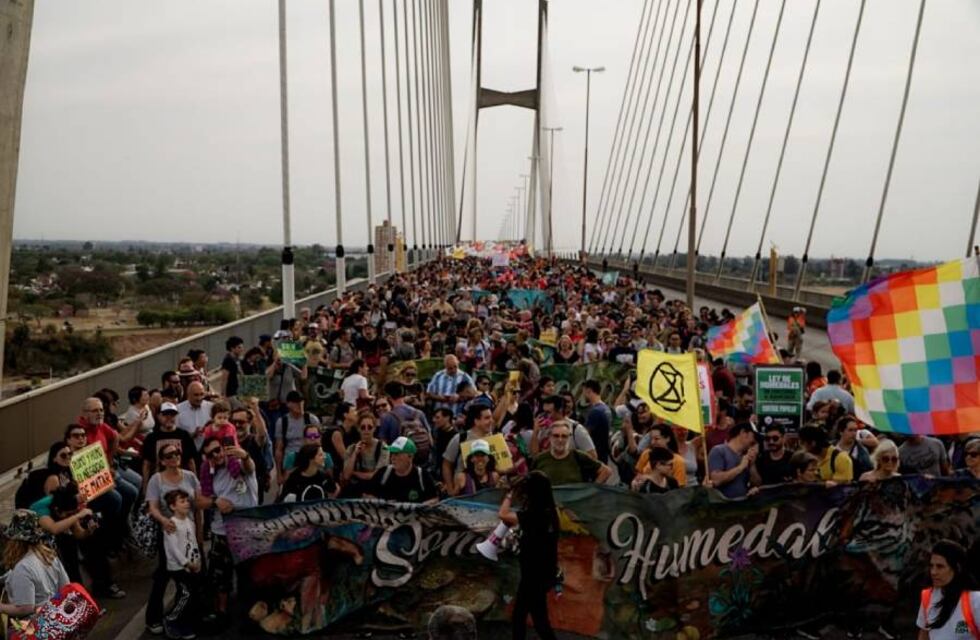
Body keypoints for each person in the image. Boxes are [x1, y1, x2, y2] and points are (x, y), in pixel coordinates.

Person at [198, 436, 259, 622]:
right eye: (211, 453)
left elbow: (250, 467)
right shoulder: (209, 472)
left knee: (246, 573)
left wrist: (246, 456)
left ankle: (248, 613)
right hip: (221, 530)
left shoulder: (238, 464)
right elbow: (199, 500)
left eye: (218, 450)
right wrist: (216, 502)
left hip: (245, 528)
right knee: (220, 575)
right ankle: (221, 613)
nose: (216, 455)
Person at [145, 443, 202, 635]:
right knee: (164, 576)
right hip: (169, 532)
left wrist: (200, 533)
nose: (174, 457)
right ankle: (154, 618)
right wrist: (163, 520)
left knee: (188, 581)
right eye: (169, 455)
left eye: (177, 453)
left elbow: (198, 505)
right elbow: (152, 506)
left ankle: (182, 616)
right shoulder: (157, 480)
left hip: (189, 532)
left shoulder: (190, 476)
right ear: (162, 461)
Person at [498, 471, 559, 640]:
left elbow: (503, 514)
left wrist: (510, 495)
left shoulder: (534, 515)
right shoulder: (551, 513)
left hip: (533, 574)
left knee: (521, 617)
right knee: (539, 619)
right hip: (543, 572)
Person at [0, 510, 70, 617]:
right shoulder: (49, 555)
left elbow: (25, 608)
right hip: (59, 617)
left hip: (39, 625)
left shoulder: (22, 567)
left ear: (15, 541)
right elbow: (66, 587)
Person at [916, 539, 979, 639]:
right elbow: (924, 634)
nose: (933, 572)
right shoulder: (928, 596)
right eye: (931, 566)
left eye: (940, 566)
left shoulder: (975, 600)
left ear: (957, 568)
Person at [161, 489, 202, 640]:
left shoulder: (189, 521)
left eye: (187, 501)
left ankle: (185, 621)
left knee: (189, 594)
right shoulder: (172, 525)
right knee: (186, 594)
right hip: (178, 567)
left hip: (191, 565)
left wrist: (197, 561)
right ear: (173, 506)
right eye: (182, 501)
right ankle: (171, 619)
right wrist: (186, 563)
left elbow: (193, 543)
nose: (187, 504)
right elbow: (173, 549)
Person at [530, 421, 611, 486]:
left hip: (574, 505)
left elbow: (606, 471)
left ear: (569, 437)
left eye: (564, 436)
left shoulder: (578, 456)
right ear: (550, 437)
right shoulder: (540, 459)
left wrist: (591, 490)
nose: (560, 440)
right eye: (556, 436)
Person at [141, 402, 198, 488]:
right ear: (158, 416)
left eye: (172, 415)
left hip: (182, 482)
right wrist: (145, 487)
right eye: (165, 415)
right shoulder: (151, 438)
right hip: (159, 483)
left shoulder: (184, 435)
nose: (169, 418)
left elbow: (191, 462)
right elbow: (146, 465)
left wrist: (195, 484)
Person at [366, 437, 438, 504]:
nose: (392, 458)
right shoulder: (383, 473)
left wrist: (419, 508)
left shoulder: (422, 476)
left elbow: (434, 499)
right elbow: (367, 494)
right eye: (392, 453)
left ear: (410, 457)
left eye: (397, 454)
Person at [273, 390, 320, 478]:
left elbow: (319, 441)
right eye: (296, 402)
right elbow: (279, 449)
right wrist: (279, 473)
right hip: (291, 459)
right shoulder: (282, 422)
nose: (299, 405)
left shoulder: (312, 419)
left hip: (309, 457)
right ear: (288, 404)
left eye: (301, 402)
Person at [342, 412, 389, 497]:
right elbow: (346, 476)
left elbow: (375, 475)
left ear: (374, 428)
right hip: (356, 489)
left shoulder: (383, 447)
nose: (366, 430)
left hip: (376, 488)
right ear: (358, 429)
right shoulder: (351, 448)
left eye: (369, 427)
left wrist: (354, 473)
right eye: (363, 427)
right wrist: (355, 454)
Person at [708, 423, 758, 499]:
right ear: (743, 433)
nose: (753, 440)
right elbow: (716, 480)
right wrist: (740, 468)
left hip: (742, 503)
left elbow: (756, 483)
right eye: (753, 436)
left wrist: (752, 465)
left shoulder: (746, 456)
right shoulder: (719, 451)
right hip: (723, 505)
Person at [176, 381, 213, 449]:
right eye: (196, 395)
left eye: (201, 394)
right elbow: (176, 435)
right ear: (188, 395)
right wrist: (192, 435)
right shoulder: (178, 409)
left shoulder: (211, 407)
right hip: (188, 450)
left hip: (208, 452)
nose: (199, 398)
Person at [581, 380, 611, 463]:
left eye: (583, 392)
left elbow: (585, 435)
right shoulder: (606, 409)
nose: (583, 395)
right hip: (604, 454)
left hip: (595, 455)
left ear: (589, 391)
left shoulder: (595, 411)